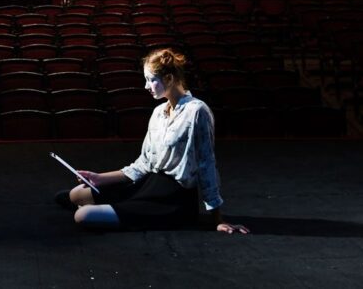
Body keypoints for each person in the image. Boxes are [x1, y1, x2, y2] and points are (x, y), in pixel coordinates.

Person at [61, 48, 249, 234]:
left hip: (172, 197)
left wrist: (217, 219)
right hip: (149, 183)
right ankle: (108, 205)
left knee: (82, 215)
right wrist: (99, 178)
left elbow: (206, 164)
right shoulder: (158, 112)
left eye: (151, 80)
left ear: (168, 79)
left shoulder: (197, 111)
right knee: (75, 194)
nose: (146, 86)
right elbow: (143, 163)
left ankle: (109, 209)